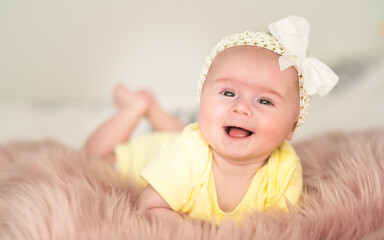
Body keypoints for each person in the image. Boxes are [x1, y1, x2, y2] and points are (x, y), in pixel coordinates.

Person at [84, 15, 339, 224]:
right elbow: (150, 207)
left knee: (189, 132)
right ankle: (136, 108)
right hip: (148, 152)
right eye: (228, 93)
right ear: (202, 98)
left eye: (264, 101)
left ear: (293, 126)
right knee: (93, 157)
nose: (241, 108)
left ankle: (155, 112)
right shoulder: (187, 152)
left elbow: (280, 228)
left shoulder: (285, 169)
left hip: (183, 140)